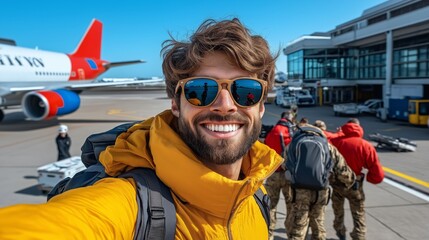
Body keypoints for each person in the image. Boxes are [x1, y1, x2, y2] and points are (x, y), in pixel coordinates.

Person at [0, 18, 283, 239]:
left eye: (246, 91)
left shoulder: (256, 191)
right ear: (175, 103)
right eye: (201, 90)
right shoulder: (132, 201)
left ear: (261, 105)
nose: (225, 105)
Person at [285, 124, 355, 240]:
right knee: (318, 223)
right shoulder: (328, 146)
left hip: (300, 192)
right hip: (321, 191)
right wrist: (349, 182)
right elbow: (342, 170)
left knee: (299, 226)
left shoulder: (293, 145)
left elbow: (285, 165)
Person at [330, 118, 385, 240]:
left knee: (338, 210)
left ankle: (340, 231)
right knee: (358, 212)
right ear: (359, 127)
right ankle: (359, 235)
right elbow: (377, 172)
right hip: (355, 185)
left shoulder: (336, 142)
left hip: (337, 183)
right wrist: (371, 178)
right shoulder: (365, 145)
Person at [263, 110, 295, 239]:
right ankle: (290, 233)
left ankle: (269, 234)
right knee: (290, 205)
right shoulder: (291, 132)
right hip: (288, 175)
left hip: (273, 174)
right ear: (289, 118)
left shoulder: (273, 131)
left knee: (271, 206)